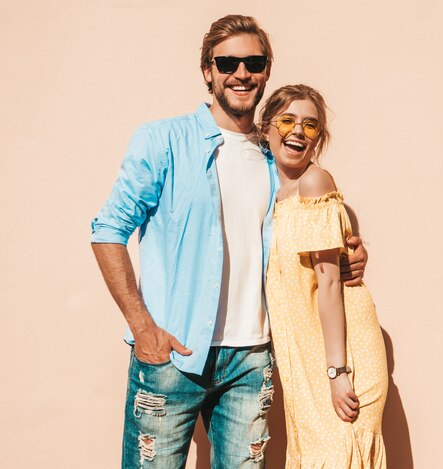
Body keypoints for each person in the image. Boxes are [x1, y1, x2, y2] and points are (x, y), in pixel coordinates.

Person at [90, 15, 367, 469]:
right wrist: (143, 327)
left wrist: (350, 251)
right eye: (228, 62)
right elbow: (107, 231)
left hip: (252, 358)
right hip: (172, 357)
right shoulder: (164, 141)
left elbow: (305, 227)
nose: (242, 73)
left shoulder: (272, 154)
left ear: (266, 71)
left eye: (253, 62)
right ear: (208, 71)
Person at [260, 84, 388, 468]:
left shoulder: (314, 183)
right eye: (287, 120)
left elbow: (330, 282)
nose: (298, 131)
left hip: (340, 355)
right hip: (305, 352)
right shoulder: (270, 192)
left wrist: (337, 371)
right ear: (266, 127)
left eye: (310, 126)